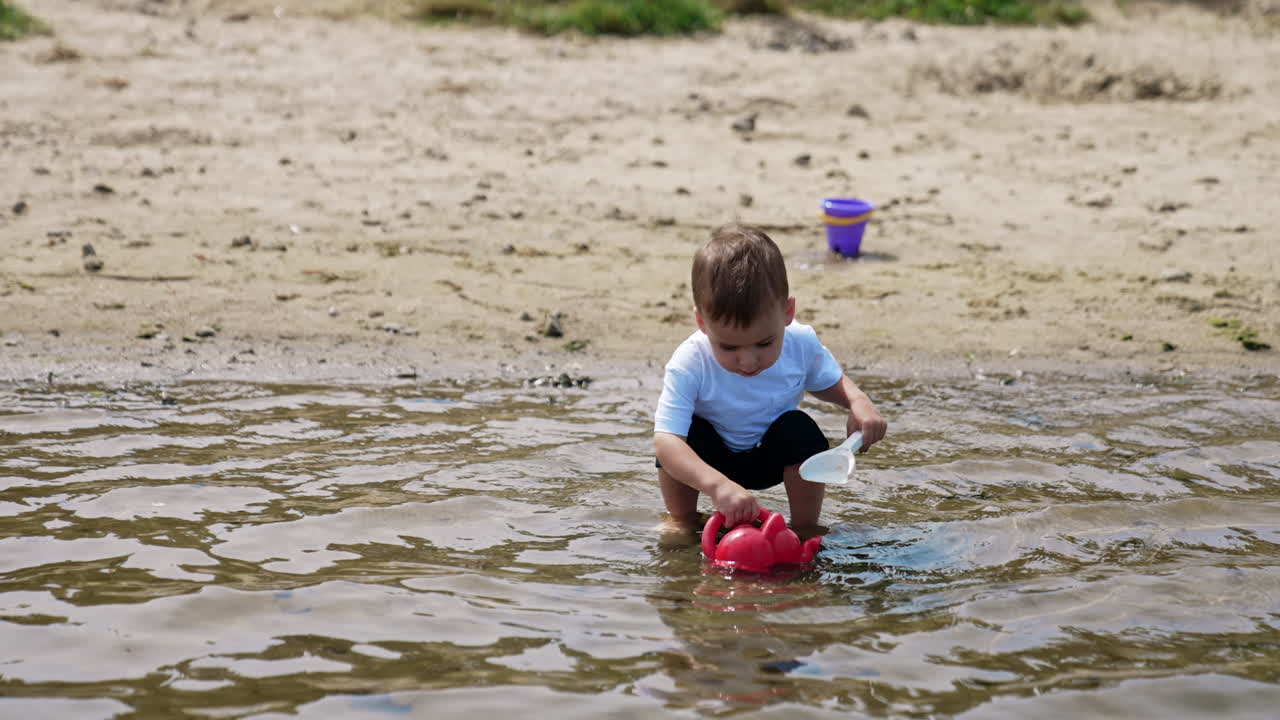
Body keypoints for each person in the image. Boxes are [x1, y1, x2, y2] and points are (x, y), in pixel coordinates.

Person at [653, 222, 887, 532]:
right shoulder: (690, 361)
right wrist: (717, 486)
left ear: (788, 313)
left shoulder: (800, 342)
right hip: (711, 462)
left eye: (764, 343)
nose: (748, 361)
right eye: (729, 346)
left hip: (770, 456)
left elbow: (831, 381)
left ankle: (805, 530)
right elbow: (666, 443)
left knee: (801, 430)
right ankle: (682, 522)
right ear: (702, 323)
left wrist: (858, 401)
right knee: (685, 438)